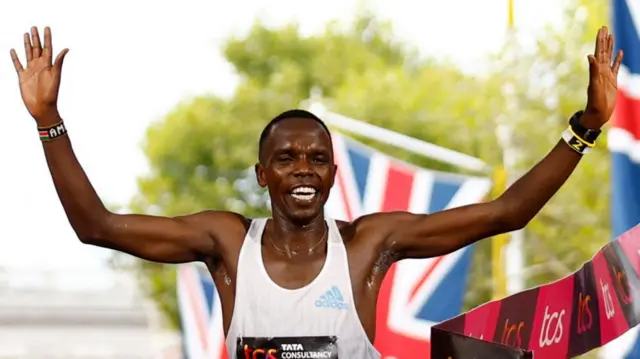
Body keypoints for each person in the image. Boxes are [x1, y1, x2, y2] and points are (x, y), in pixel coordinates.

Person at [10, 25, 622, 359]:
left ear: (332, 175)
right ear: (262, 174)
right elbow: (98, 227)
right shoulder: (225, 242)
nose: (303, 169)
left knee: (474, 352)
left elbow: (506, 213)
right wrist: (48, 122)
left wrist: (586, 127)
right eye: (286, 159)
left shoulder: (368, 244)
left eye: (317, 159)